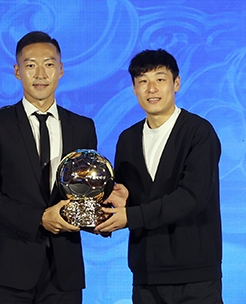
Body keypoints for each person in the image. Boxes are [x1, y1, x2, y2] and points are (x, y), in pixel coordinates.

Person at [0, 31, 102, 303]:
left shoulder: (82, 127)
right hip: (6, 270)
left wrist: (104, 211)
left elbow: (85, 192)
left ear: (61, 70)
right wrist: (39, 218)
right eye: (31, 65)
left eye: (49, 64)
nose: (40, 74)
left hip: (64, 273)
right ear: (17, 71)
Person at [94, 49, 223, 304]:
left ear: (176, 83)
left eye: (160, 79)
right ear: (134, 88)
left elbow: (192, 197)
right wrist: (115, 206)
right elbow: (132, 204)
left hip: (195, 277)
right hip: (146, 275)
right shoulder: (128, 139)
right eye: (143, 81)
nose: (151, 88)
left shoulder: (199, 132)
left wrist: (130, 215)